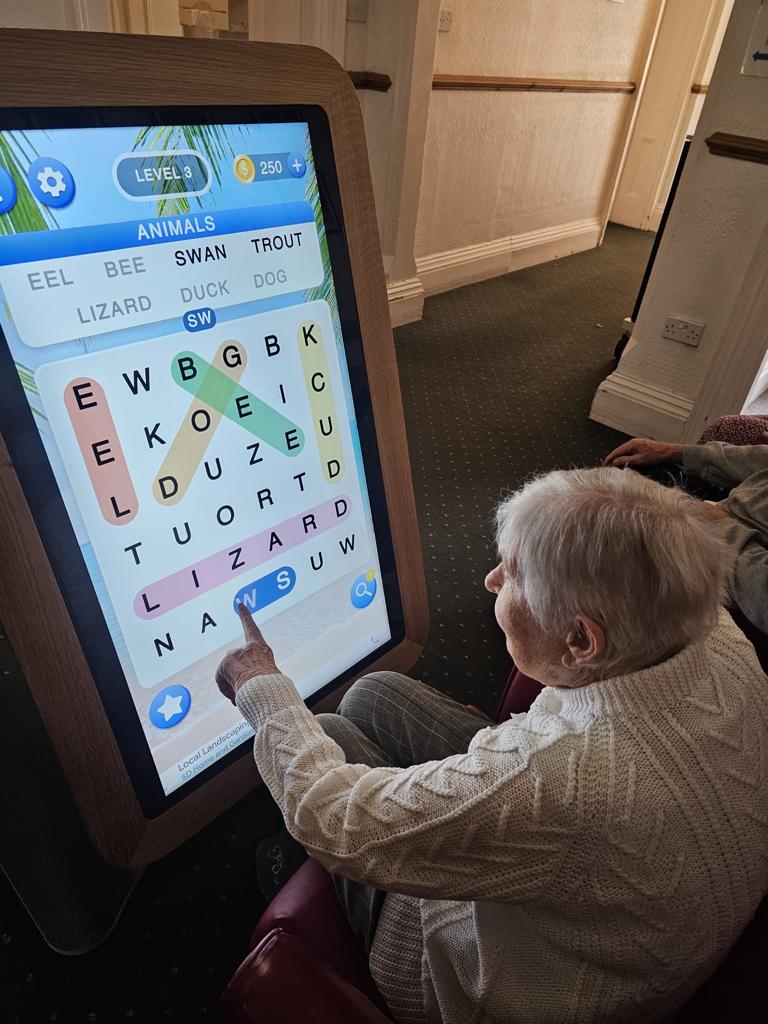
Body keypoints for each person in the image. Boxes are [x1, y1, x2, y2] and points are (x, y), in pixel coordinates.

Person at [216, 467, 768, 1024]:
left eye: (515, 573)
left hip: (506, 990)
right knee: (371, 695)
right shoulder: (715, 634)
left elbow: (333, 818)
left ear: (580, 640)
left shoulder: (558, 778)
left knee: (329, 734)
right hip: (633, 918)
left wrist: (261, 686)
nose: (491, 579)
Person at [605, 436, 768, 636]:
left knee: (613, 534)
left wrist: (721, 526)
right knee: (616, 482)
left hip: (737, 563)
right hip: (721, 511)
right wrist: (674, 451)